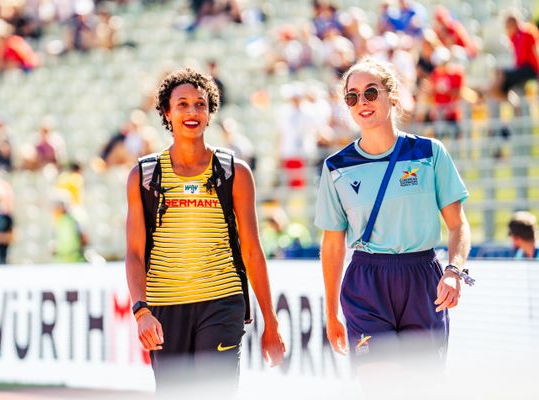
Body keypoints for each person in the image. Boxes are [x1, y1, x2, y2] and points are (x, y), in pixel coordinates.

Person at [125, 68, 284, 398]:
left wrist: (270, 320)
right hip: (164, 309)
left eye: (200, 104)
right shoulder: (144, 175)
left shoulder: (233, 172)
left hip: (221, 303)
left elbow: (252, 251)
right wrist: (141, 311)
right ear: (167, 113)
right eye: (182, 104)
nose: (192, 112)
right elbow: (135, 253)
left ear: (211, 112)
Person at [315, 58, 471, 383]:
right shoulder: (335, 167)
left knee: (421, 384)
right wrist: (330, 313)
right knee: (380, 384)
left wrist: (454, 271)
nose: (362, 103)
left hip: (422, 278)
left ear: (393, 96)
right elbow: (332, 246)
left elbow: (458, 225)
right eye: (352, 97)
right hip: (366, 281)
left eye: (371, 93)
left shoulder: (430, 152)